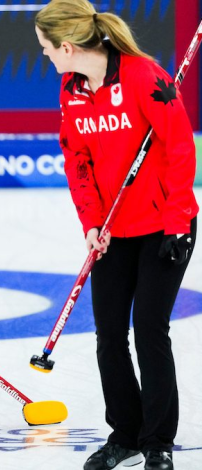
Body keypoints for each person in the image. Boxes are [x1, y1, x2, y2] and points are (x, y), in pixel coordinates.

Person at [35, 2, 198, 469]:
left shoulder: (145, 77)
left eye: (47, 49)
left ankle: (158, 442)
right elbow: (77, 160)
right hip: (111, 230)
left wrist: (178, 221)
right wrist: (90, 223)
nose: (46, 57)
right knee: (109, 335)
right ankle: (124, 434)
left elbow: (179, 149)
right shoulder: (72, 90)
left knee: (149, 330)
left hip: (165, 225)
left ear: (67, 46)